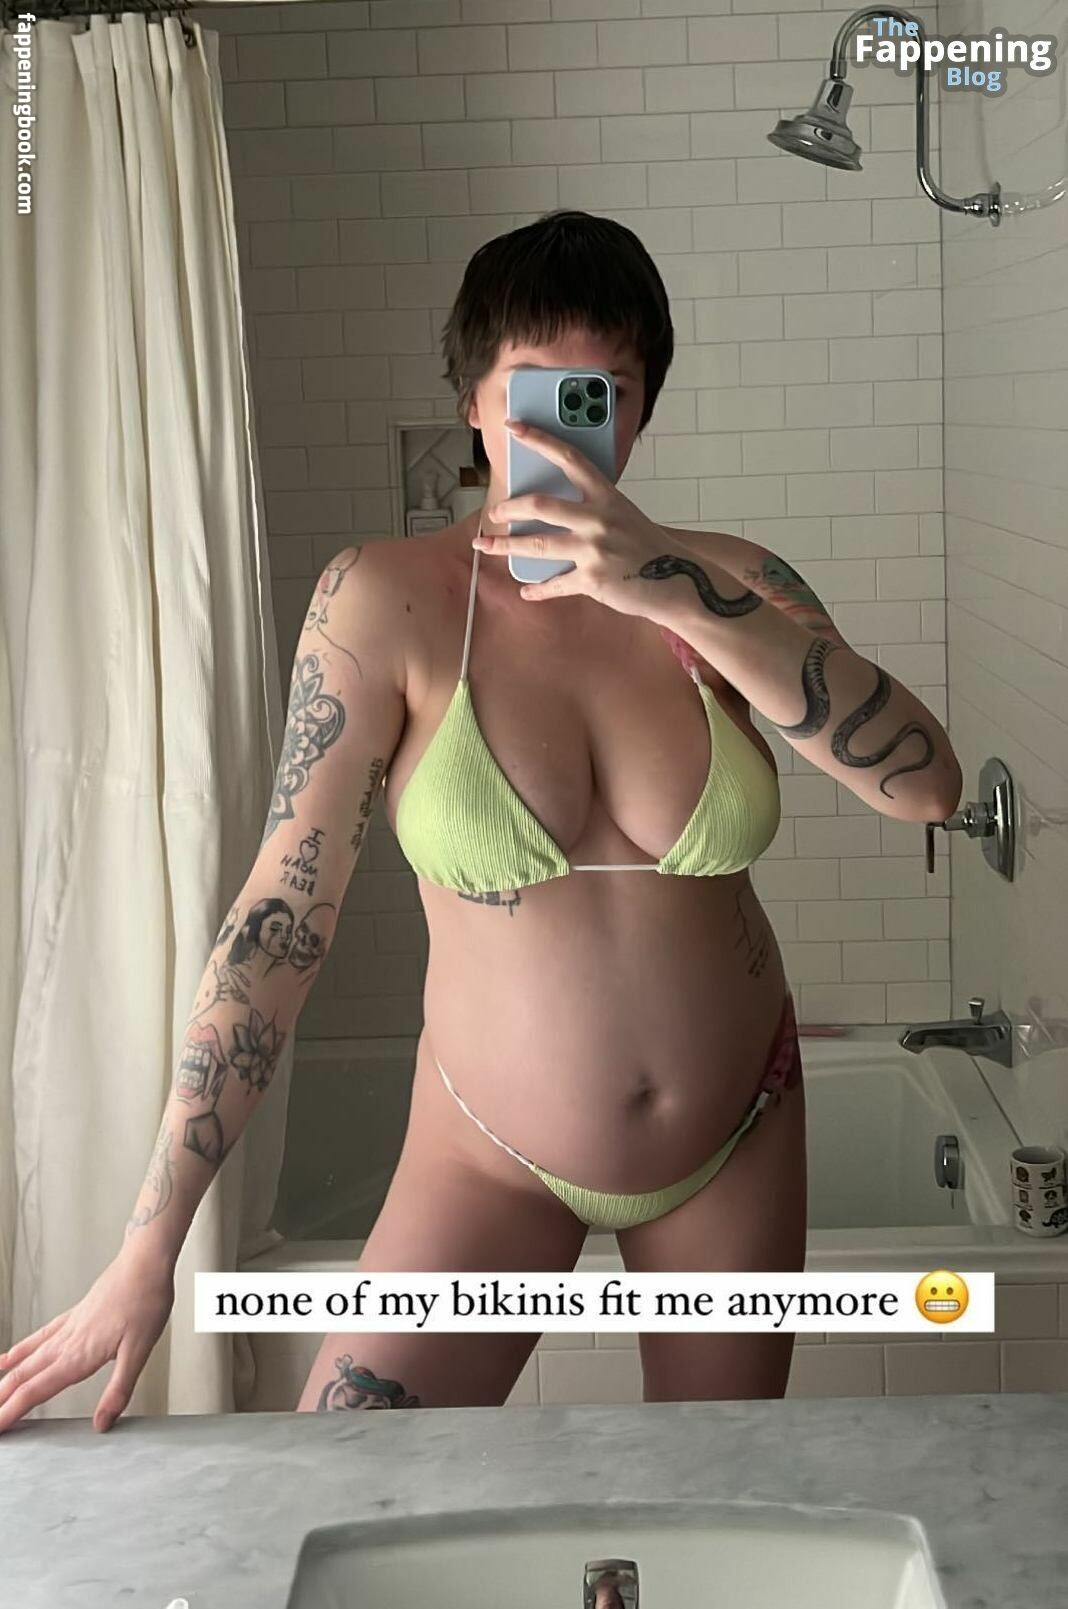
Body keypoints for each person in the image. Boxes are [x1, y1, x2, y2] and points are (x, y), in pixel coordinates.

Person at [0, 210, 963, 1431]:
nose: (570, 429)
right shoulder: (385, 600)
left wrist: (672, 590)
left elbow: (927, 786)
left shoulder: (734, 581)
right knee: (350, 1487)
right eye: (536, 391)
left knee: (709, 1503)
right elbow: (278, 925)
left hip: (737, 1133)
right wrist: (149, 1249)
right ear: (470, 399)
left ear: (645, 407)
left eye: (605, 393)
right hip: (488, 1152)